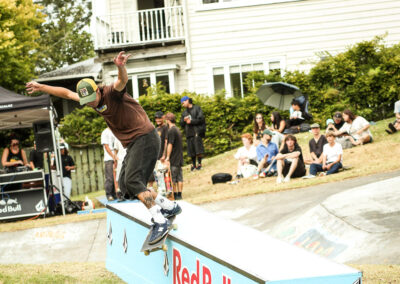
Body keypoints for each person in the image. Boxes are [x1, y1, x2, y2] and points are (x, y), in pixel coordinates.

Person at [26, 51, 181, 245]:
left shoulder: (111, 93)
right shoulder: (88, 99)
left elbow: (121, 81)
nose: (90, 103)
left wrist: (120, 66)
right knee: (126, 185)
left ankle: (160, 220)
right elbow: (65, 93)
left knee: (133, 181)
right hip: (134, 143)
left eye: (92, 98)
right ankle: (169, 206)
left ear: (98, 90)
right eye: (86, 101)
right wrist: (41, 86)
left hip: (145, 138)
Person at [180, 96, 206, 171]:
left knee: (198, 149)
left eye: (183, 102)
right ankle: (193, 165)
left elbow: (201, 119)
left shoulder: (197, 108)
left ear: (187, 100)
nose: (182, 105)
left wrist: (191, 121)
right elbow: (181, 124)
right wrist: (184, 121)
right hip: (189, 133)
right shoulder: (184, 112)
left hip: (197, 131)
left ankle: (200, 164)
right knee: (191, 150)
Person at [164, 113, 184, 200]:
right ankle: (180, 194)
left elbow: (170, 144)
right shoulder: (177, 129)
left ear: (168, 120)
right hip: (179, 157)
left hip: (174, 158)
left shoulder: (171, 130)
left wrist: (167, 156)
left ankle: (175, 195)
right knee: (180, 177)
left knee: (173, 178)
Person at [148, 111, 169, 188]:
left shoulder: (166, 127)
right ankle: (160, 190)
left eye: (159, 118)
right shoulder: (156, 129)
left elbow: (166, 141)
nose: (158, 120)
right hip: (156, 155)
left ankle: (167, 191)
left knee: (163, 174)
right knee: (157, 174)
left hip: (162, 156)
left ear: (163, 118)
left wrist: (164, 154)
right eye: (156, 118)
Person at [101, 127, 117, 201]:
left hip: (117, 157)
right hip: (109, 158)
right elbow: (106, 146)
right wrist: (113, 156)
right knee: (110, 177)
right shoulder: (105, 132)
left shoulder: (116, 131)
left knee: (117, 177)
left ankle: (115, 194)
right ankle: (109, 194)